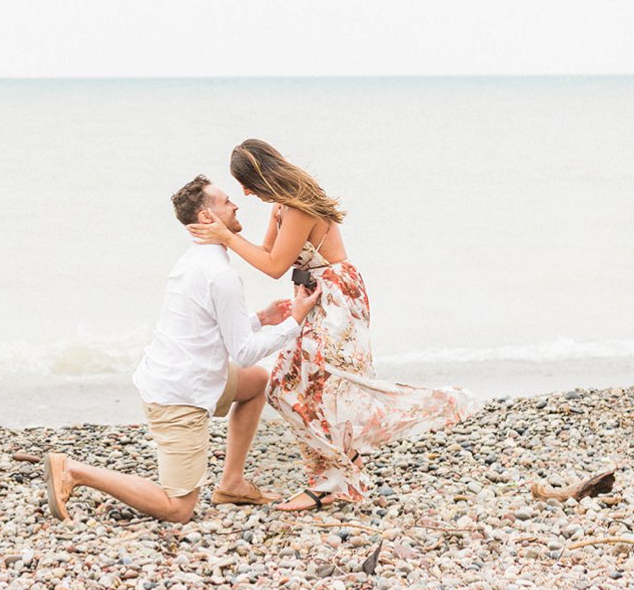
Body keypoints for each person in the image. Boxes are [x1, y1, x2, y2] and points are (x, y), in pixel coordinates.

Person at [188, 139, 476, 510]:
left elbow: (274, 265)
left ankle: (338, 473)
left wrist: (227, 237)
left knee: (326, 386)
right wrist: (226, 241)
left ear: (260, 175)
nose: (244, 192)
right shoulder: (280, 206)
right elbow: (268, 258)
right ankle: (339, 468)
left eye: (245, 182)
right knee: (281, 387)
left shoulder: (297, 206)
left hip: (339, 297)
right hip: (314, 294)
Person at [43, 173, 320, 524]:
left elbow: (203, 330)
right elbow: (245, 352)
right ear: (207, 218)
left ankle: (232, 482)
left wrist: (260, 318)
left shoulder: (195, 260)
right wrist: (294, 321)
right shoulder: (220, 275)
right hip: (179, 396)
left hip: (179, 374)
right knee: (178, 508)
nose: (235, 203)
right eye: (224, 201)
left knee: (255, 383)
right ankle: (74, 471)